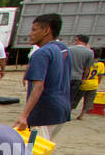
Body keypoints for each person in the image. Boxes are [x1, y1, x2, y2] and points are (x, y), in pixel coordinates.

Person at [14, 13, 71, 142]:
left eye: (34, 30)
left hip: (44, 113)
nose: (30, 34)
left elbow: (38, 87)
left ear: (46, 31)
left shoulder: (41, 54)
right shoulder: (62, 49)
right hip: (60, 111)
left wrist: (24, 115)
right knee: (40, 151)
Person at [74, 44, 104, 120]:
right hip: (93, 85)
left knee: (75, 99)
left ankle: (69, 112)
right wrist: (97, 83)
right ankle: (82, 115)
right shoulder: (101, 65)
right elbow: (100, 76)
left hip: (83, 84)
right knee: (88, 101)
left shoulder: (87, 63)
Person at [67, 33, 95, 111]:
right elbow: (87, 69)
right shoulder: (90, 52)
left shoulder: (69, 49)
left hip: (66, 77)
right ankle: (66, 113)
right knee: (71, 98)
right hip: (78, 78)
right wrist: (84, 78)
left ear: (77, 40)